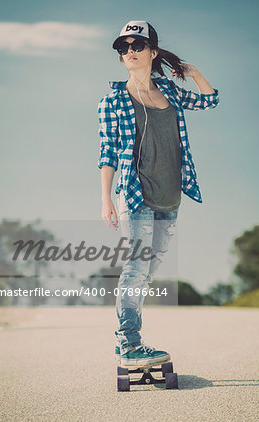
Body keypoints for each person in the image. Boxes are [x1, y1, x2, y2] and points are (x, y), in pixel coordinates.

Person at [97, 20, 220, 368]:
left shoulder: (170, 91)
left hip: (170, 196)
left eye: (137, 46)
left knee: (148, 272)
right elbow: (107, 151)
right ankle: (129, 343)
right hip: (134, 195)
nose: (130, 52)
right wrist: (106, 198)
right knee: (135, 268)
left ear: (152, 51)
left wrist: (194, 73)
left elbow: (211, 102)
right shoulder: (113, 100)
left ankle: (130, 341)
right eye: (124, 48)